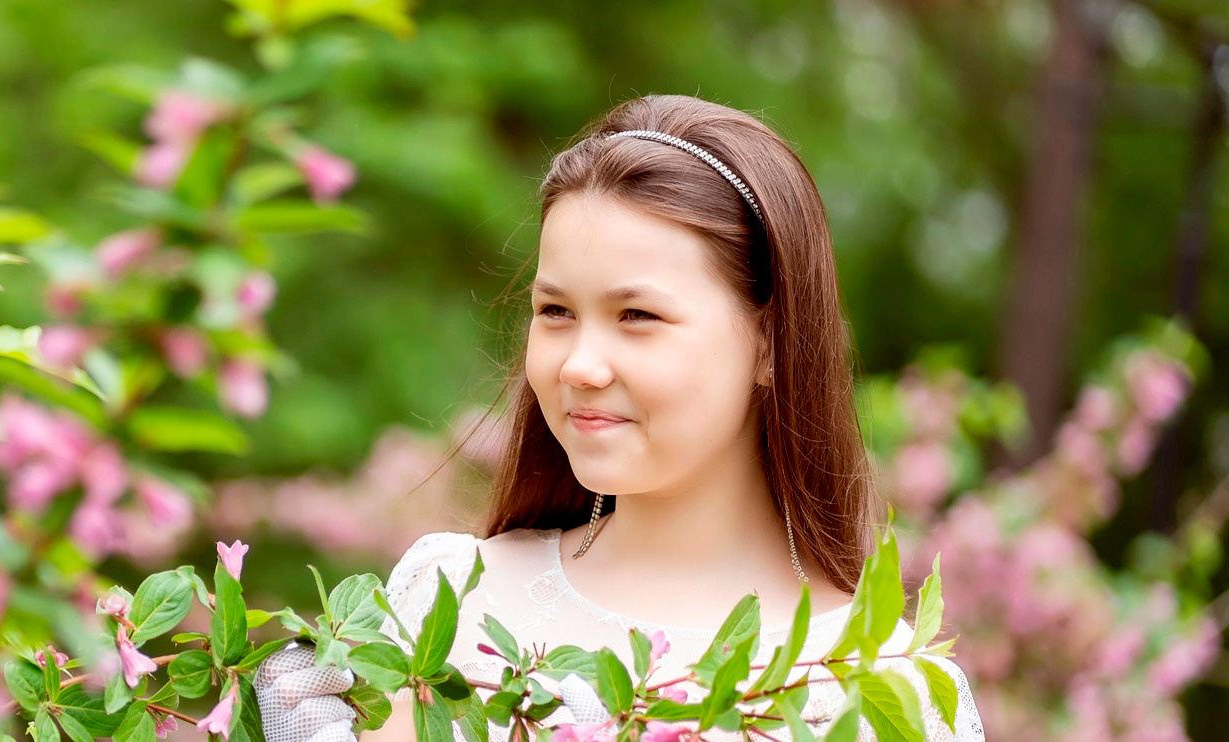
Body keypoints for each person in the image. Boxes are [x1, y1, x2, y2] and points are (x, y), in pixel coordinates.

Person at [254, 94, 984, 741]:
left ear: (770, 340)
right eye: (556, 312)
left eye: (638, 315)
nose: (579, 365)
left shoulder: (881, 688)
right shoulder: (448, 601)